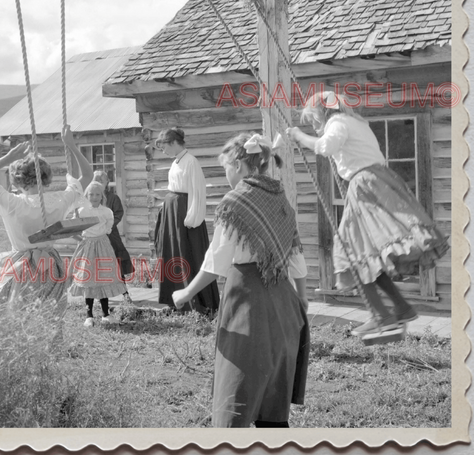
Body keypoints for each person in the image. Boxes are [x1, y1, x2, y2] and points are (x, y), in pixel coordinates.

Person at [173, 133, 309, 428]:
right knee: (274, 392)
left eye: (226, 168)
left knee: (237, 386)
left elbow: (216, 261)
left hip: (248, 302)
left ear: (237, 165)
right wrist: (302, 297)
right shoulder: (280, 199)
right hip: (284, 301)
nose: (226, 174)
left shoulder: (235, 201)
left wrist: (186, 293)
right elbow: (295, 255)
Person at [286, 90, 449, 336]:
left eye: (314, 118)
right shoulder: (358, 123)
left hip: (364, 185)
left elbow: (324, 146)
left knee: (351, 252)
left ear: (325, 111)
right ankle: (398, 309)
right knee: (367, 253)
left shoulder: (338, 122)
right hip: (376, 181)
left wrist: (300, 136)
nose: (315, 124)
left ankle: (382, 314)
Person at [0, 126, 93, 310]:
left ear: (16, 180)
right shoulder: (59, 201)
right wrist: (71, 145)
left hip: (21, 268)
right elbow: (88, 175)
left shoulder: (11, 203)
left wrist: (8, 157)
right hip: (51, 266)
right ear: (46, 177)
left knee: (22, 317)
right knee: (51, 317)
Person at [154, 127, 219, 313]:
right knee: (173, 253)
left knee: (187, 255)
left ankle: (196, 303)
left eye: (164, 146)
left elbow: (198, 191)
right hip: (172, 212)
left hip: (184, 215)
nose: (163, 151)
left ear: (173, 142)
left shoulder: (191, 162)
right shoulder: (176, 162)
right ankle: (174, 300)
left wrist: (192, 219)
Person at [68, 181, 130, 326]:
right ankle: (89, 315)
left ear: (102, 196)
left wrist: (101, 236)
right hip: (87, 246)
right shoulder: (82, 210)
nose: (94, 197)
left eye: (97, 194)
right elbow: (72, 228)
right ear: (86, 195)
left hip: (102, 246)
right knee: (88, 278)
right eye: (91, 194)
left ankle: (105, 313)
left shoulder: (107, 212)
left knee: (102, 277)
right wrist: (81, 239)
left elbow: (108, 227)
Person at [92, 170, 133, 300]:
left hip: (110, 235)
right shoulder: (91, 198)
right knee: (97, 265)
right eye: (96, 181)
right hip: (95, 236)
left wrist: (108, 225)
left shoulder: (113, 198)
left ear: (107, 183)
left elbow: (118, 214)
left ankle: (125, 294)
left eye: (101, 181)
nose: (99, 183)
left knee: (117, 263)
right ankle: (99, 296)